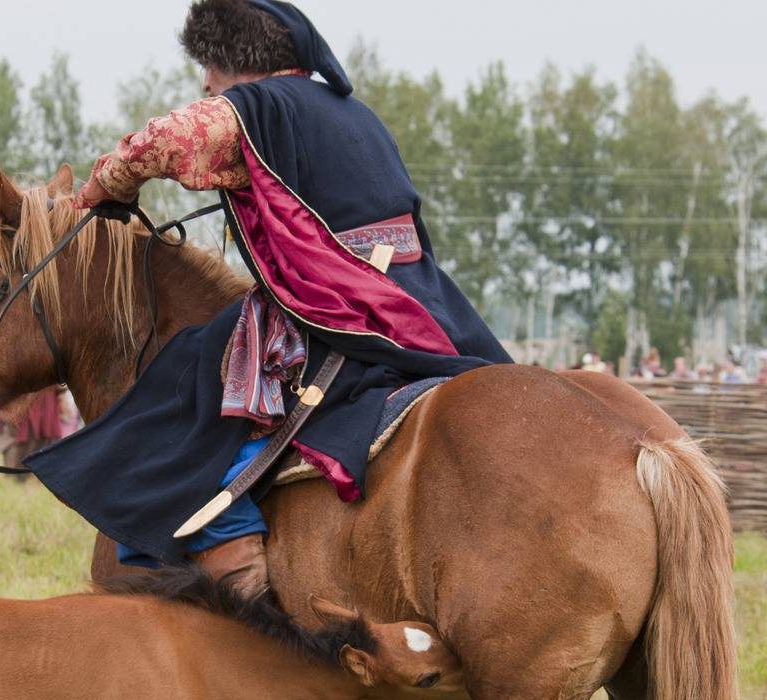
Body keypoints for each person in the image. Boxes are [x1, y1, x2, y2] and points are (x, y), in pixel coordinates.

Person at [25, 0, 511, 592]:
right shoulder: (358, 115)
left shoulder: (256, 109)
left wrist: (100, 189)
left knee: (187, 380)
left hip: (336, 296)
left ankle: (229, 546)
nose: (205, 82)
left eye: (208, 66)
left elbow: (158, 143)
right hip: (420, 297)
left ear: (231, 60)